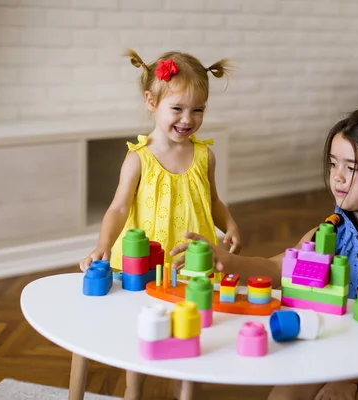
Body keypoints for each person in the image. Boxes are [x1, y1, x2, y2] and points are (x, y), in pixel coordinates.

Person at [171, 107, 358, 400]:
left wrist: (345, 379)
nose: (337, 177)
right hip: (341, 342)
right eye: (333, 164)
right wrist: (225, 260)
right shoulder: (330, 229)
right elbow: (279, 269)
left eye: (351, 168)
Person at [79, 48, 242, 400]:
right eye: (178, 109)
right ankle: (132, 391)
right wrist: (103, 244)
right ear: (151, 101)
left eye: (198, 110)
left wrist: (229, 224)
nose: (188, 119)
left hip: (191, 265)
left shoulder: (204, 156)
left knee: (191, 330)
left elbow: (212, 201)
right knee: (145, 331)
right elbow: (118, 209)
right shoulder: (139, 159)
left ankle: (186, 391)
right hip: (146, 268)